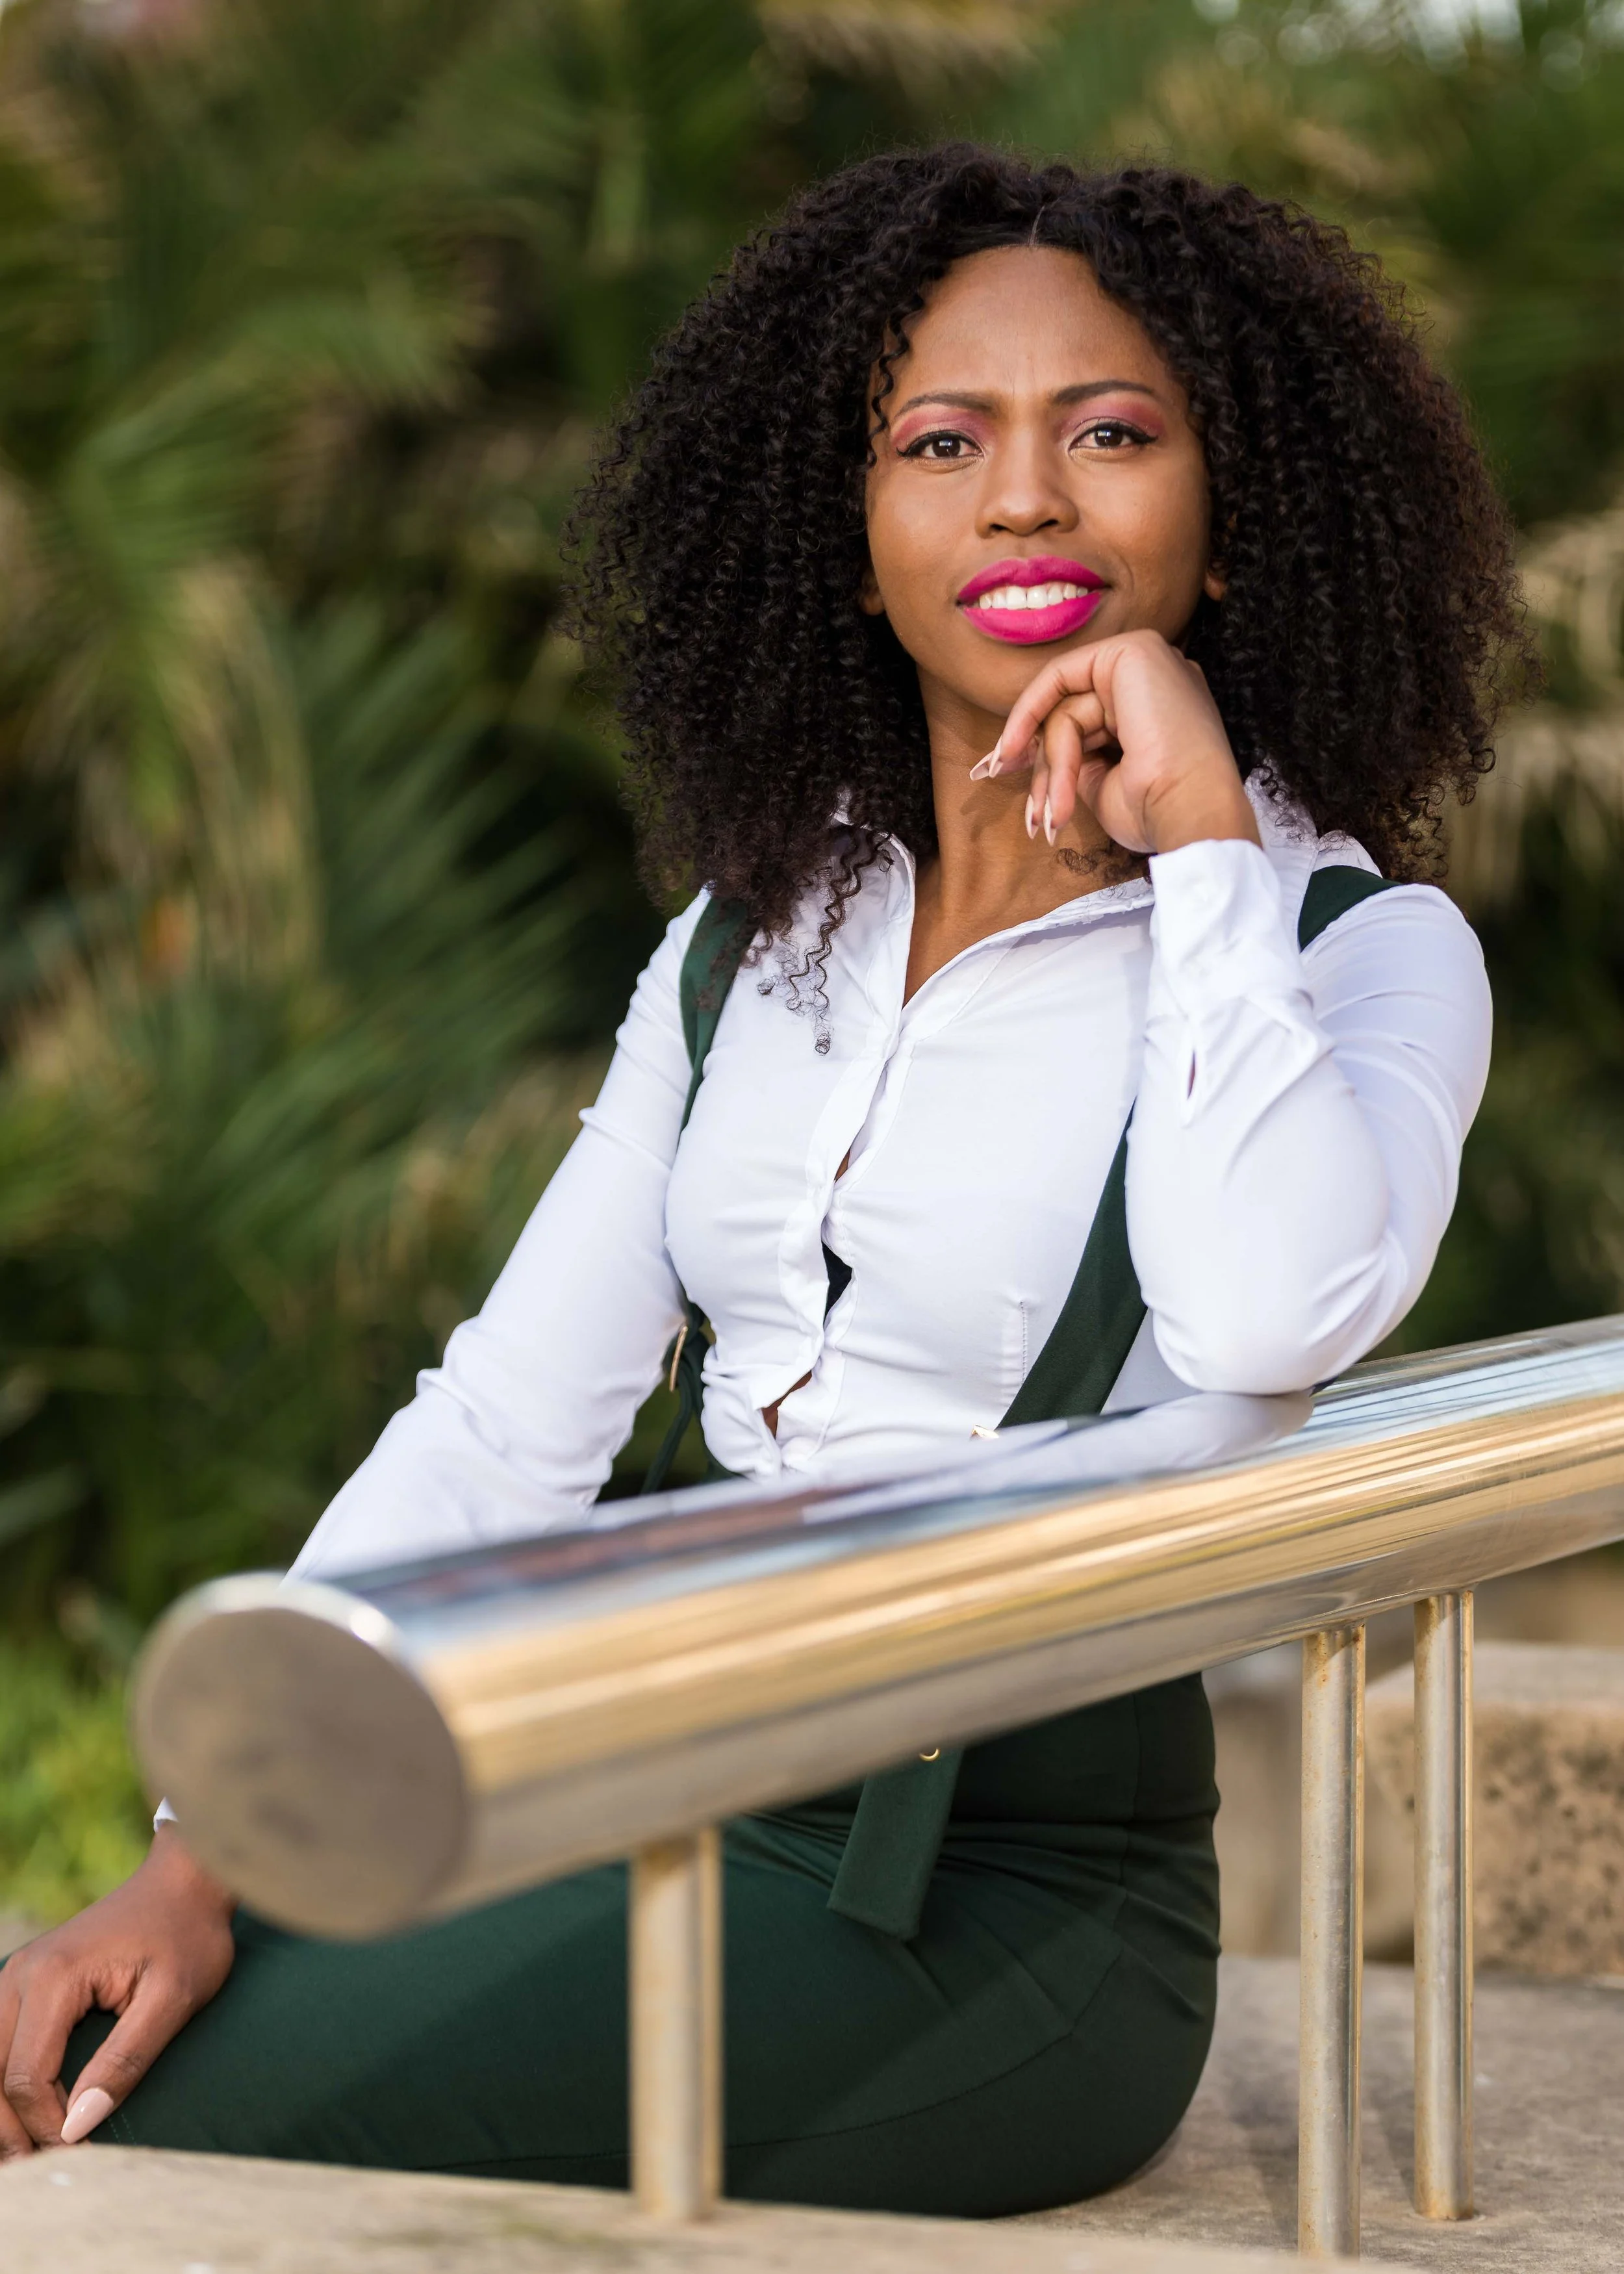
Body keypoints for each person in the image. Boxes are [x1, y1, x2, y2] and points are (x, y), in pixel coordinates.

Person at [0, 146, 1519, 2216]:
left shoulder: (1354, 955)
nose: (1023, 499)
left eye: (1110, 432)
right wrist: (205, 1852)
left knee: (109, 2126)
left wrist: (1202, 866)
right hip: (630, 1771)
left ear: (1229, 515)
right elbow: (507, 1418)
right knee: (58, 2027)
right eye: (940, 439)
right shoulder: (756, 936)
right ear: (856, 530)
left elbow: (1261, 1319)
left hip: (989, 1910)